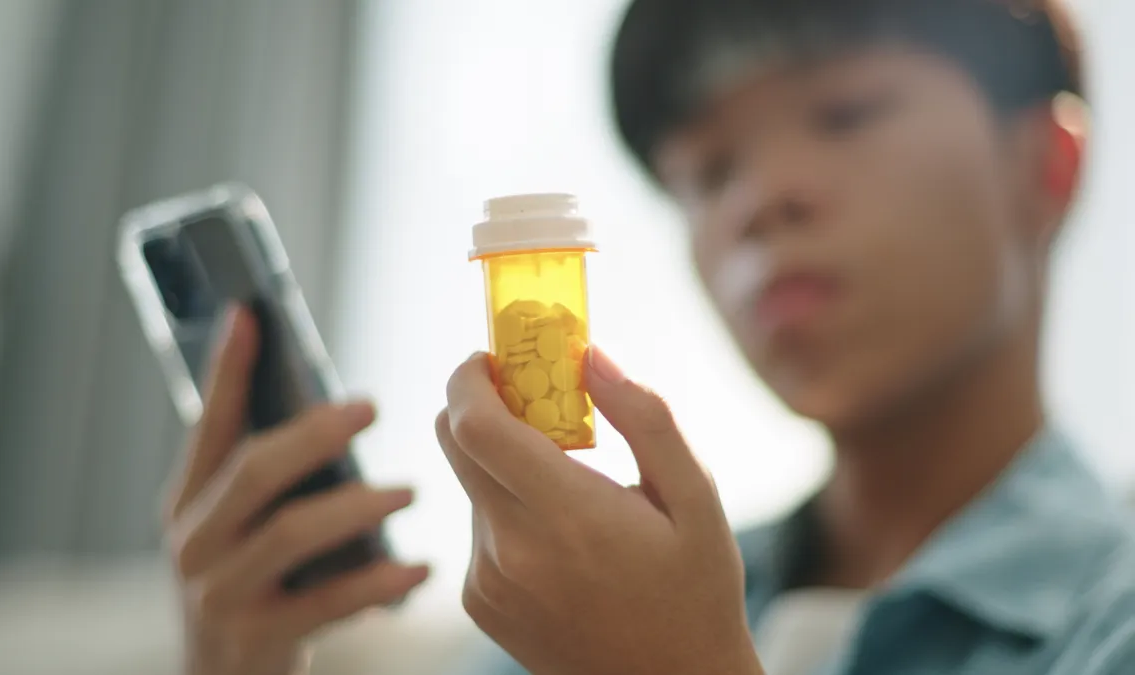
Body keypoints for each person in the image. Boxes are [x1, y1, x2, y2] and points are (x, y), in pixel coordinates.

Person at [160, 0, 1135, 674]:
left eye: (845, 113)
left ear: (1044, 166)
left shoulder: (1111, 612)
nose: (758, 202)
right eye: (709, 174)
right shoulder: (575, 605)